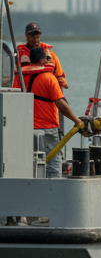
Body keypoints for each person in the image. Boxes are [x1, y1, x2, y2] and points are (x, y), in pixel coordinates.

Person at [25, 46, 84, 178]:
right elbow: (60, 103)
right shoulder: (48, 78)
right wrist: (77, 121)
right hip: (47, 129)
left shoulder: (22, 77)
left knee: (30, 164)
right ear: (44, 59)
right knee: (53, 164)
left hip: (27, 128)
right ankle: (52, 191)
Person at [15, 22, 68, 91]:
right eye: (32, 36)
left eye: (37, 36)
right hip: (26, 91)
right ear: (27, 36)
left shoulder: (51, 55)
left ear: (40, 35)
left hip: (46, 91)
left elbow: (60, 76)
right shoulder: (19, 55)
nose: (35, 40)